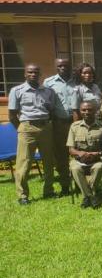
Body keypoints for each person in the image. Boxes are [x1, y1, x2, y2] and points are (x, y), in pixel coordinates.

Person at [9, 64, 62, 204]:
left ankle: (49, 191)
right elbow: (12, 115)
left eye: (36, 72)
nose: (33, 74)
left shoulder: (48, 91)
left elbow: (50, 110)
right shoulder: (17, 91)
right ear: (25, 74)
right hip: (27, 128)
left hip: (45, 128)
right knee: (24, 162)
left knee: (49, 161)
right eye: (30, 72)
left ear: (40, 74)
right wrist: (22, 128)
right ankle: (22, 195)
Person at [67, 101, 102, 209]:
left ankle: (86, 197)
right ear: (80, 111)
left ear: (95, 111)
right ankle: (91, 196)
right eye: (84, 110)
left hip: (98, 158)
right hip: (80, 159)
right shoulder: (74, 126)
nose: (87, 112)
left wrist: (98, 153)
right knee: (75, 168)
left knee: (99, 167)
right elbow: (71, 149)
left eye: (90, 110)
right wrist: (80, 153)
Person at [43, 58, 78, 196]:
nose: (63, 68)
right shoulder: (49, 82)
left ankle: (81, 184)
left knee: (78, 152)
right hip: (59, 124)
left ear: (70, 67)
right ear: (56, 67)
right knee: (61, 157)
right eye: (60, 65)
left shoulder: (77, 81)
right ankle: (65, 186)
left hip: (76, 123)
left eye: (65, 65)